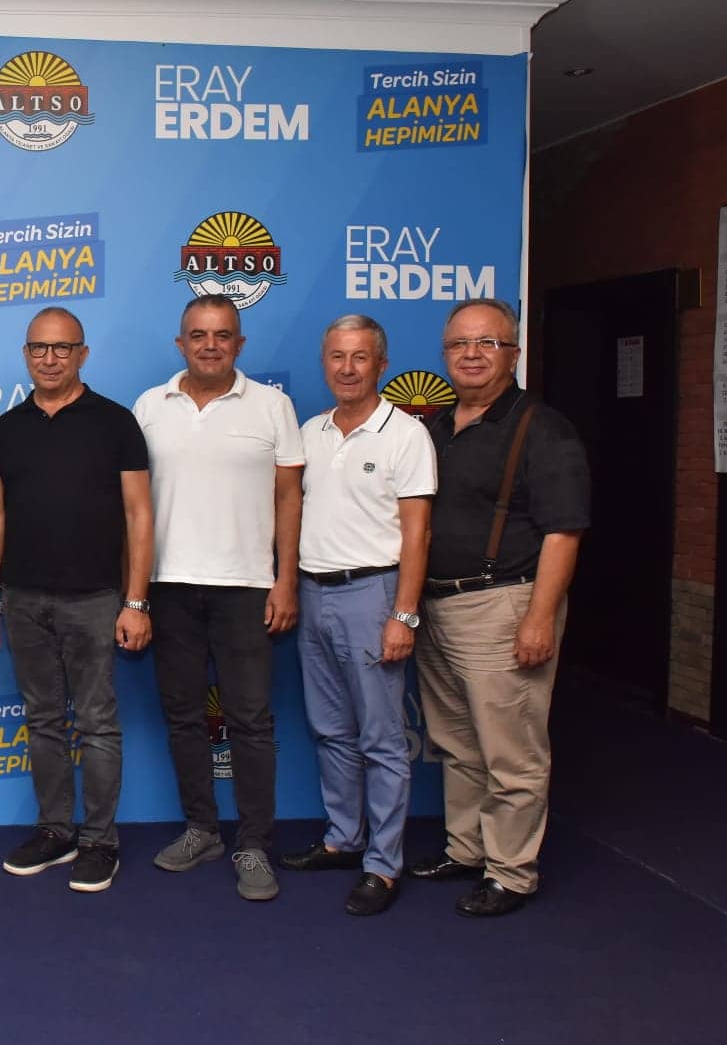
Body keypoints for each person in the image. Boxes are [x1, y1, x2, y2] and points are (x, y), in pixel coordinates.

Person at [410, 298, 589, 917]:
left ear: (512, 354)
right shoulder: (435, 427)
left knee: (512, 752)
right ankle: (467, 850)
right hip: (436, 607)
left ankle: (511, 872)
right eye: (460, 344)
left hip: (504, 605)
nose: (471, 354)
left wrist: (539, 617)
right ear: (445, 354)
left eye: (487, 343)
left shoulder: (544, 430)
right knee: (457, 742)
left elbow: (564, 532)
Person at [0, 307, 152, 893]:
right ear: (25, 354)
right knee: (43, 720)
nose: (49, 359)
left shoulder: (116, 423)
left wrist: (136, 602)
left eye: (62, 348)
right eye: (39, 348)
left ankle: (100, 841)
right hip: (23, 600)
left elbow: (139, 516)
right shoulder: (7, 428)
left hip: (96, 600)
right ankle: (56, 831)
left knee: (97, 723)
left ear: (82, 354)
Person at [135, 294, 303, 902]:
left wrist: (285, 580)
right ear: (180, 343)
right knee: (183, 717)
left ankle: (253, 843)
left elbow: (290, 497)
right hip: (169, 586)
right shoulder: (150, 406)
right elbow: (134, 506)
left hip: (247, 587)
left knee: (250, 721)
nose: (210, 345)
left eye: (222, 334)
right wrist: (135, 594)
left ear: (240, 343)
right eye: (198, 335)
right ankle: (202, 829)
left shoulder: (273, 406)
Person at [279, 315, 435, 916]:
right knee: (330, 729)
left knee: (382, 739)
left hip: (374, 595)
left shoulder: (406, 435)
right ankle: (343, 839)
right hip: (313, 592)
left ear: (382, 364)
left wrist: (404, 614)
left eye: (360, 357)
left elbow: (418, 534)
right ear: (325, 362)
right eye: (337, 357)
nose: (347, 368)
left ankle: (383, 865)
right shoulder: (310, 432)